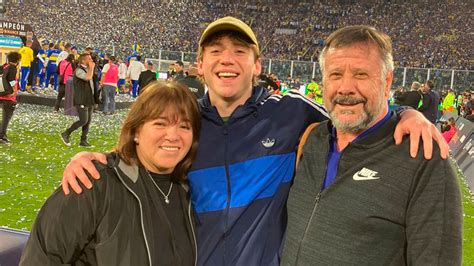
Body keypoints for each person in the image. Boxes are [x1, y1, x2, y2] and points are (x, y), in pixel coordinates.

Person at [60, 17, 448, 265]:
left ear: (257, 65)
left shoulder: (292, 114)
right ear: (200, 64)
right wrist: (99, 160)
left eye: (240, 52)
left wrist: (405, 114)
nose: (227, 60)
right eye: (215, 52)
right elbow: (139, 152)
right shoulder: (184, 121)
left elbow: (352, 117)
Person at [281, 25, 462, 265]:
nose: (346, 88)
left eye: (360, 74)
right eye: (335, 75)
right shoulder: (311, 139)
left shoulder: (423, 159)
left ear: (387, 82)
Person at [20, 82, 200, 265]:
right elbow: (40, 258)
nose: (173, 135)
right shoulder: (92, 182)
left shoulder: (191, 190)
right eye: (160, 123)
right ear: (136, 131)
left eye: (184, 126)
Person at [60, 53, 98, 147]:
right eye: (89, 59)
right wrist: (92, 68)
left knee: (88, 121)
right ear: (83, 61)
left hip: (89, 98)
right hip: (82, 99)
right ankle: (66, 133)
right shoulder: (78, 70)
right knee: (83, 120)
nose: (91, 61)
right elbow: (88, 78)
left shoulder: (87, 69)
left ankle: (83, 141)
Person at [0, 52, 21, 145]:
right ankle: (2, 136)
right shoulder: (13, 68)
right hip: (8, 97)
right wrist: (12, 91)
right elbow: (12, 80)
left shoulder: (5, 66)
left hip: (1, 94)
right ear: (17, 60)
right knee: (6, 118)